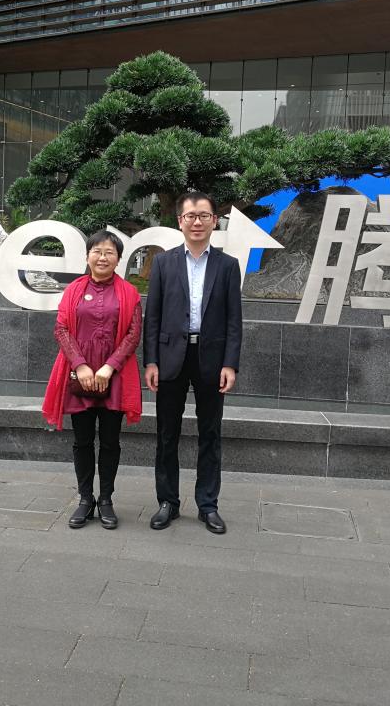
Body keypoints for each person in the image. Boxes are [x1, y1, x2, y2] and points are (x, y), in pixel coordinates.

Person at [144, 193, 242, 534]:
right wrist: (151, 361)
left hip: (211, 358)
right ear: (180, 221)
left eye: (203, 215)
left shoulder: (227, 265)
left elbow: (234, 320)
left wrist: (230, 364)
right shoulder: (164, 263)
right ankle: (167, 502)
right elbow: (152, 317)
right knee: (166, 434)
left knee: (210, 434)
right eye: (190, 216)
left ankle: (208, 505)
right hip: (170, 357)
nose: (196, 222)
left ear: (214, 221)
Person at [43, 230, 143, 530]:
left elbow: (133, 334)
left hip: (115, 377)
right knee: (83, 440)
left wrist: (109, 367)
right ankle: (85, 499)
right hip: (80, 377)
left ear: (118, 258)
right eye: (97, 251)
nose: (102, 257)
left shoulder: (129, 293)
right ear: (87, 256)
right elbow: (61, 329)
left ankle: (106, 500)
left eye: (109, 252)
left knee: (110, 442)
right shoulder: (74, 290)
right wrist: (82, 366)